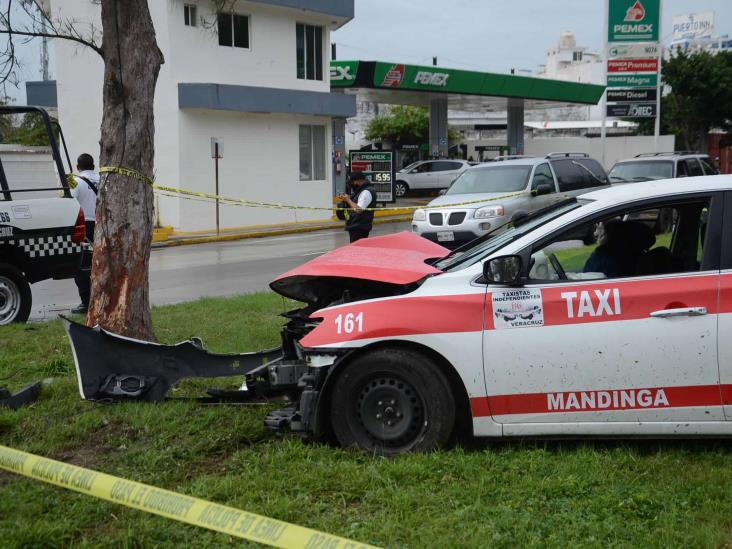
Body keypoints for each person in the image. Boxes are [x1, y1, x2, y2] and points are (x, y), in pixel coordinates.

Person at [70, 153, 100, 314]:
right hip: (102, 225)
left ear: (77, 167)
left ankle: (86, 302)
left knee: (82, 266)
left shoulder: (74, 181)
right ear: (93, 167)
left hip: (84, 225)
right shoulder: (101, 180)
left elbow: (69, 202)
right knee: (101, 264)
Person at [337, 171, 375, 243]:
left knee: (358, 250)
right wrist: (347, 199)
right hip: (356, 225)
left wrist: (348, 200)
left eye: (353, 182)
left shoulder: (366, 192)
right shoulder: (361, 191)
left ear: (359, 180)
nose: (352, 185)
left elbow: (358, 209)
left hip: (360, 226)